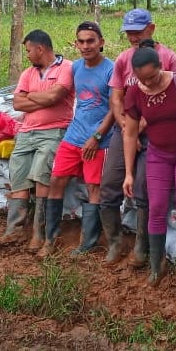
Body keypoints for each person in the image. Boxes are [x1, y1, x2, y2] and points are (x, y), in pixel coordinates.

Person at [99, 8, 176, 267]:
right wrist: (126, 127)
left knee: (145, 191)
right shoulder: (124, 59)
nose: (133, 37)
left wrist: (139, 128)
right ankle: (114, 242)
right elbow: (116, 98)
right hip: (124, 129)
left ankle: (141, 247)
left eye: (138, 32)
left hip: (153, 134)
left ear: (151, 29)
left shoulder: (168, 58)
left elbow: (172, 100)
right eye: (129, 33)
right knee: (110, 185)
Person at [124, 39, 176, 288]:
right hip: (158, 155)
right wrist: (128, 173)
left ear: (160, 67)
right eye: (143, 80)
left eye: (153, 77)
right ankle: (157, 267)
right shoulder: (135, 92)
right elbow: (131, 133)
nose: (149, 84)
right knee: (156, 207)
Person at [0, 30, 74, 249]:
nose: (27, 54)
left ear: (40, 48)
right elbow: (17, 103)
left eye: (28, 50)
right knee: (18, 177)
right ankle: (14, 231)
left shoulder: (66, 68)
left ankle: (39, 233)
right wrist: (44, 100)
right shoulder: (28, 73)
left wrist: (34, 97)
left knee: (41, 177)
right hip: (26, 133)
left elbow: (56, 96)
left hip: (54, 132)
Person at [38, 22, 115, 258]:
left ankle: (87, 243)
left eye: (90, 41)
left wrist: (97, 136)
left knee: (94, 187)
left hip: (99, 141)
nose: (85, 46)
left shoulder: (111, 69)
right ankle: (50, 239)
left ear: (101, 42)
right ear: (75, 44)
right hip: (74, 135)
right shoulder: (76, 68)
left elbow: (114, 109)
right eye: (80, 41)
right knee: (56, 180)